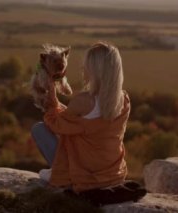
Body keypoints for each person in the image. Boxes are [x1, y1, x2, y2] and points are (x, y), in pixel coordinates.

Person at [31, 41, 146, 206]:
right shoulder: (124, 99)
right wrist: (58, 104)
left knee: (39, 129)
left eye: (86, 65)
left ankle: (64, 175)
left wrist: (50, 102)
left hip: (85, 174)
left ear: (94, 70)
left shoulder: (84, 101)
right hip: (113, 172)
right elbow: (84, 123)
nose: (82, 68)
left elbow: (56, 124)